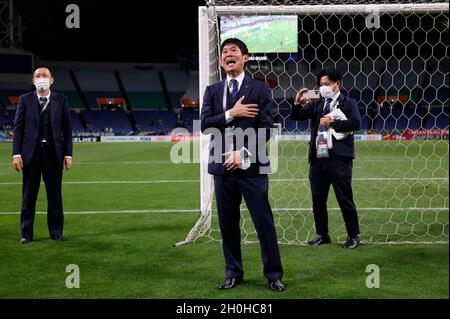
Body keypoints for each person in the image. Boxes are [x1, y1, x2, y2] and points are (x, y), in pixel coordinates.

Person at [201, 38, 285, 292]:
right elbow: (205, 124)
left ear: (245, 57)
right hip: (222, 168)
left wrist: (244, 152)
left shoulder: (260, 90)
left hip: (252, 168)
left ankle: (273, 275)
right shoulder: (213, 91)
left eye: (233, 51)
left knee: (263, 223)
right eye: (224, 51)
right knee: (228, 224)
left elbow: (266, 128)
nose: (228, 54)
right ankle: (233, 273)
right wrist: (231, 114)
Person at [292, 68, 362, 249]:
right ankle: (323, 235)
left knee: (344, 198)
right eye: (321, 84)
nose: (323, 87)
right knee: (318, 199)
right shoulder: (317, 103)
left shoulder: (348, 103)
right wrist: (298, 104)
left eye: (327, 84)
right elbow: (297, 116)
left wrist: (333, 123)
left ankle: (353, 236)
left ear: (337, 84)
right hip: (318, 158)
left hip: (338, 158)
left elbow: (356, 124)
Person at [12, 67, 73, 244]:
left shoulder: (61, 100)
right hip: (30, 155)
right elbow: (18, 128)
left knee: (55, 196)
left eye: (44, 75)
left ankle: (56, 232)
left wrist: (68, 154)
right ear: (33, 81)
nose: (41, 78)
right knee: (29, 196)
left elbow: (67, 130)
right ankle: (26, 233)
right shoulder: (24, 100)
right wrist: (16, 154)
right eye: (37, 76)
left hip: (54, 154)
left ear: (51, 80)